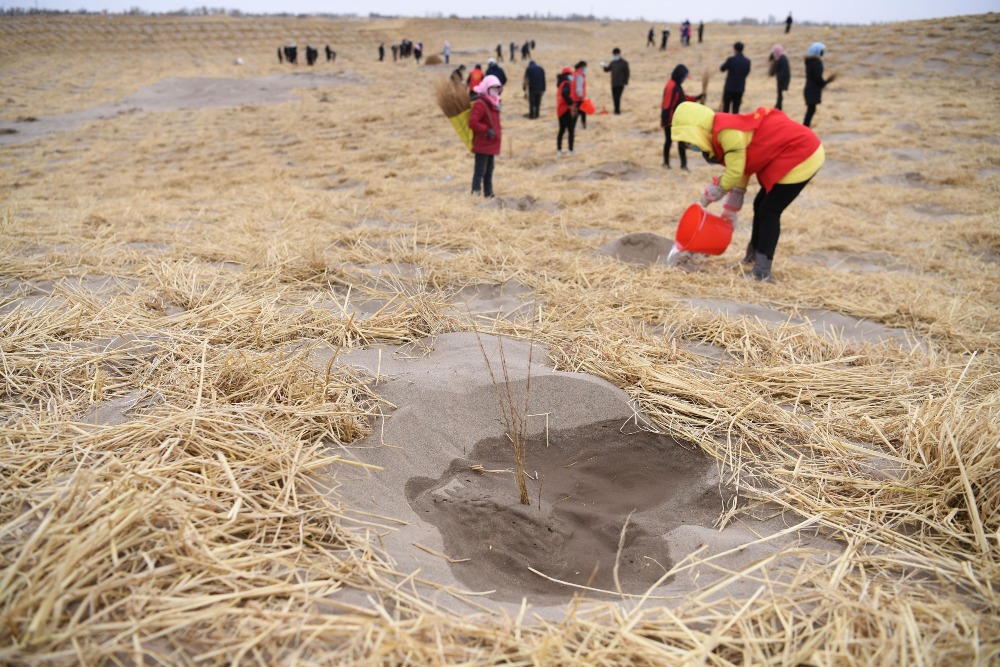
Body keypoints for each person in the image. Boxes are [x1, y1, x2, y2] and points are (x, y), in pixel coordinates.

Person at [670, 102, 825, 281]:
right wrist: (730, 209)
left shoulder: (727, 132)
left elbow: (735, 172)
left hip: (803, 154)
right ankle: (752, 259)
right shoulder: (722, 130)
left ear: (698, 130)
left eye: (690, 143)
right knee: (760, 205)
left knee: (769, 210)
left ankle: (762, 271)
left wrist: (708, 197)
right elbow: (742, 168)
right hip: (792, 152)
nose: (693, 148)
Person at [661, 64, 704, 170]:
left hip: (677, 120)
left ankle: (683, 165)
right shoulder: (671, 86)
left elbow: (682, 98)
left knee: (681, 143)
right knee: (669, 141)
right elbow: (667, 105)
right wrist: (668, 121)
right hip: (670, 121)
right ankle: (666, 163)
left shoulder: (676, 85)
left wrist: (696, 98)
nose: (684, 79)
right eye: (684, 77)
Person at [468, 75, 503, 198]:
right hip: (483, 142)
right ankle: (475, 195)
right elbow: (472, 122)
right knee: (480, 171)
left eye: (497, 88)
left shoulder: (494, 102)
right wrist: (486, 130)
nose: (495, 91)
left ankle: (489, 194)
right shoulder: (481, 103)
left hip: (491, 143)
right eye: (492, 88)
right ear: (486, 88)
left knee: (489, 171)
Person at [803, 43, 834, 127]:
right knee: (811, 109)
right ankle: (805, 127)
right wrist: (825, 82)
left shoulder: (809, 62)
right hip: (813, 90)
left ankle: (806, 126)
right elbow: (817, 77)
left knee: (811, 109)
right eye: (821, 51)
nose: (822, 52)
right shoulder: (816, 63)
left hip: (809, 89)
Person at [720, 41, 751, 113]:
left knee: (726, 108)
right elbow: (747, 73)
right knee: (736, 108)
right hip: (740, 87)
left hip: (729, 87)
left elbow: (722, 69)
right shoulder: (747, 61)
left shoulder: (731, 60)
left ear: (735, 49)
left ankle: (725, 123)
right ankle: (734, 124)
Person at [556, 67, 578, 155]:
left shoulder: (560, 84)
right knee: (571, 130)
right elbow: (565, 93)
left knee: (561, 130)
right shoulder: (567, 84)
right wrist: (571, 102)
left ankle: (559, 150)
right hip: (566, 109)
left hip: (560, 110)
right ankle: (570, 150)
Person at [601, 48, 630, 114]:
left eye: (616, 54)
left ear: (619, 54)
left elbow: (627, 73)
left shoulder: (624, 63)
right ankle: (616, 109)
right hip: (613, 83)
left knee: (617, 97)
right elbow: (607, 70)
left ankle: (617, 111)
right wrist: (603, 66)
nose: (615, 55)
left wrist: (626, 82)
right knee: (614, 98)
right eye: (614, 54)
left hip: (621, 83)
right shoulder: (612, 63)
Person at [768, 45, 790, 110]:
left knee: (780, 93)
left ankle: (779, 106)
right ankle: (778, 105)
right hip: (782, 78)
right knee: (779, 93)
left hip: (782, 79)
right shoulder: (782, 57)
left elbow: (777, 70)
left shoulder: (781, 59)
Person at [572, 60, 588, 128]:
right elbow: (579, 87)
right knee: (578, 113)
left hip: (573, 97)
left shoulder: (574, 73)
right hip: (578, 98)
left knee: (580, 112)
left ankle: (580, 126)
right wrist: (581, 96)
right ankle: (581, 126)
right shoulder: (580, 75)